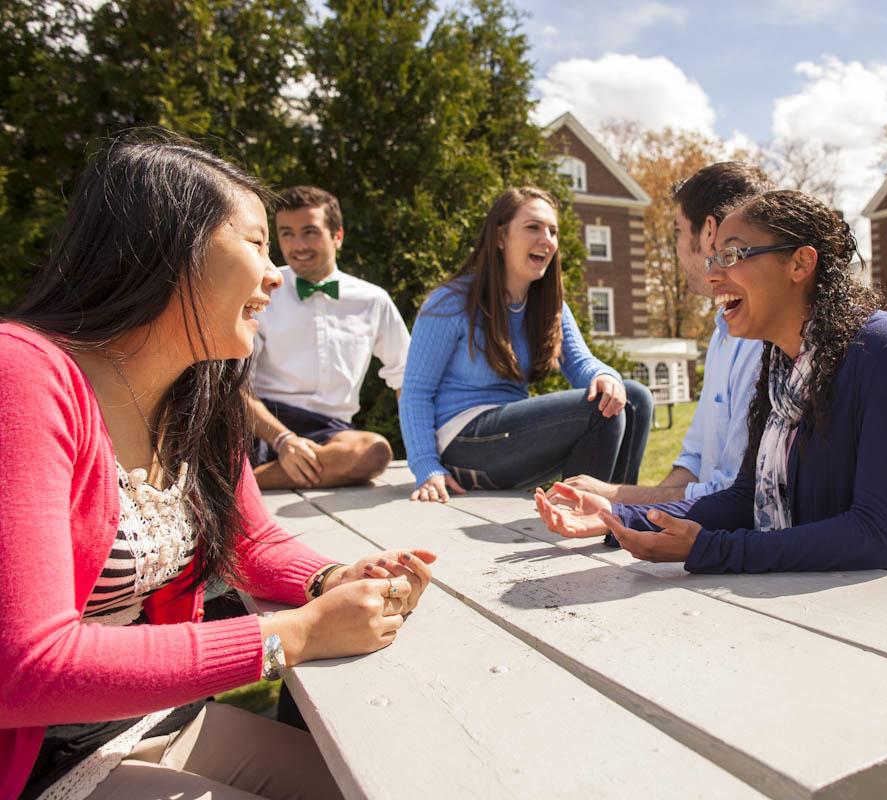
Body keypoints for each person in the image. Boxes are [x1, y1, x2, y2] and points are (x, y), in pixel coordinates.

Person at [0, 135, 437, 799]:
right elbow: (24, 668)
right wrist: (291, 636)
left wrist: (331, 576)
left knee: (372, 786)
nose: (274, 274)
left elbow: (250, 538)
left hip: (143, 718)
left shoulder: (200, 392)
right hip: (32, 760)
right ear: (169, 245)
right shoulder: (23, 377)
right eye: (257, 242)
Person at [536, 190, 887, 590]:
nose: (713, 276)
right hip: (829, 602)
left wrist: (712, 551)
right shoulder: (778, 365)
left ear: (800, 263)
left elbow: (878, 534)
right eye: (712, 259)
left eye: (732, 256)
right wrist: (618, 519)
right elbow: (745, 497)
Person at [400, 186, 653, 503]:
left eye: (553, 231)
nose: (546, 239)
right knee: (598, 410)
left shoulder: (548, 305)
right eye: (533, 227)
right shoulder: (451, 302)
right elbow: (416, 391)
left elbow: (581, 363)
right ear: (500, 237)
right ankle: (577, 511)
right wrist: (426, 467)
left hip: (507, 442)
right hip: (462, 444)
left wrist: (607, 376)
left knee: (633, 399)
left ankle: (615, 515)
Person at [563, 162, 772, 504]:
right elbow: (693, 462)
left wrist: (617, 499)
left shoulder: (762, 339)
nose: (675, 247)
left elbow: (738, 495)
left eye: (677, 231)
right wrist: (628, 510)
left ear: (708, 233)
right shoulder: (723, 333)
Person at [248, 185, 410, 490]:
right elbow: (234, 386)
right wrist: (283, 440)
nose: (298, 245)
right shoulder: (261, 291)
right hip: (263, 424)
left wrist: (425, 455)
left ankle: (249, 483)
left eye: (310, 232)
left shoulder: (373, 300)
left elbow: (407, 379)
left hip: (331, 431)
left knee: (375, 452)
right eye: (286, 233)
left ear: (338, 235)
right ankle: (291, 469)